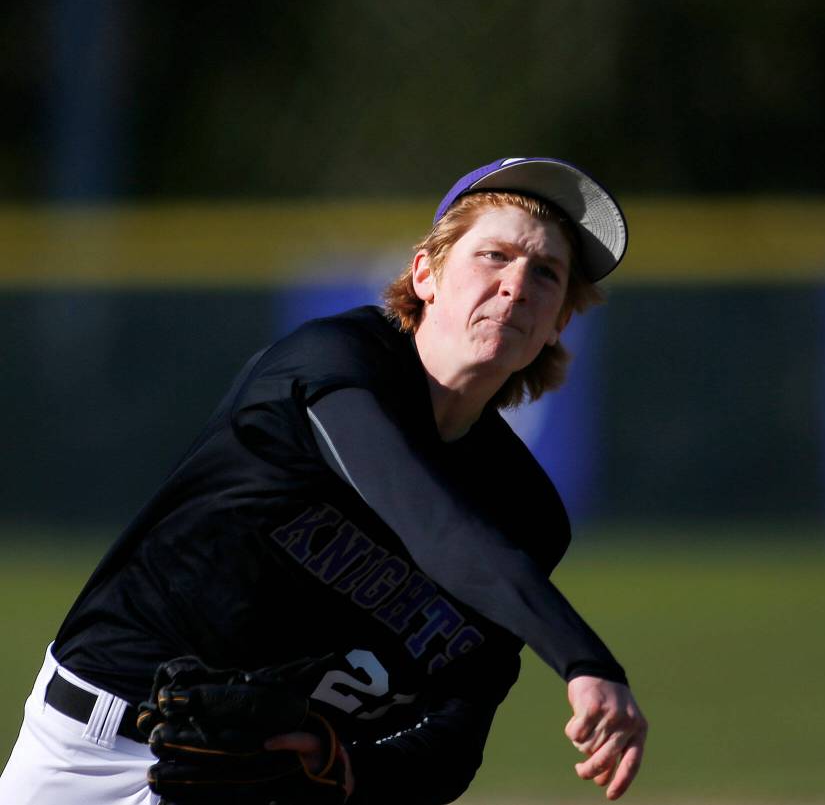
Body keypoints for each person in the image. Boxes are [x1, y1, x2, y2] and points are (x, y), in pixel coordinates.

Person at [0, 157, 647, 805]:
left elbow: (457, 732)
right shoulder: (331, 364)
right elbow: (429, 521)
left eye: (546, 273)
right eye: (494, 255)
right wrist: (584, 658)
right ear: (427, 273)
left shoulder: (527, 514)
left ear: (561, 319)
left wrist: (346, 773)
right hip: (87, 751)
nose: (516, 286)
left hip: (258, 782)